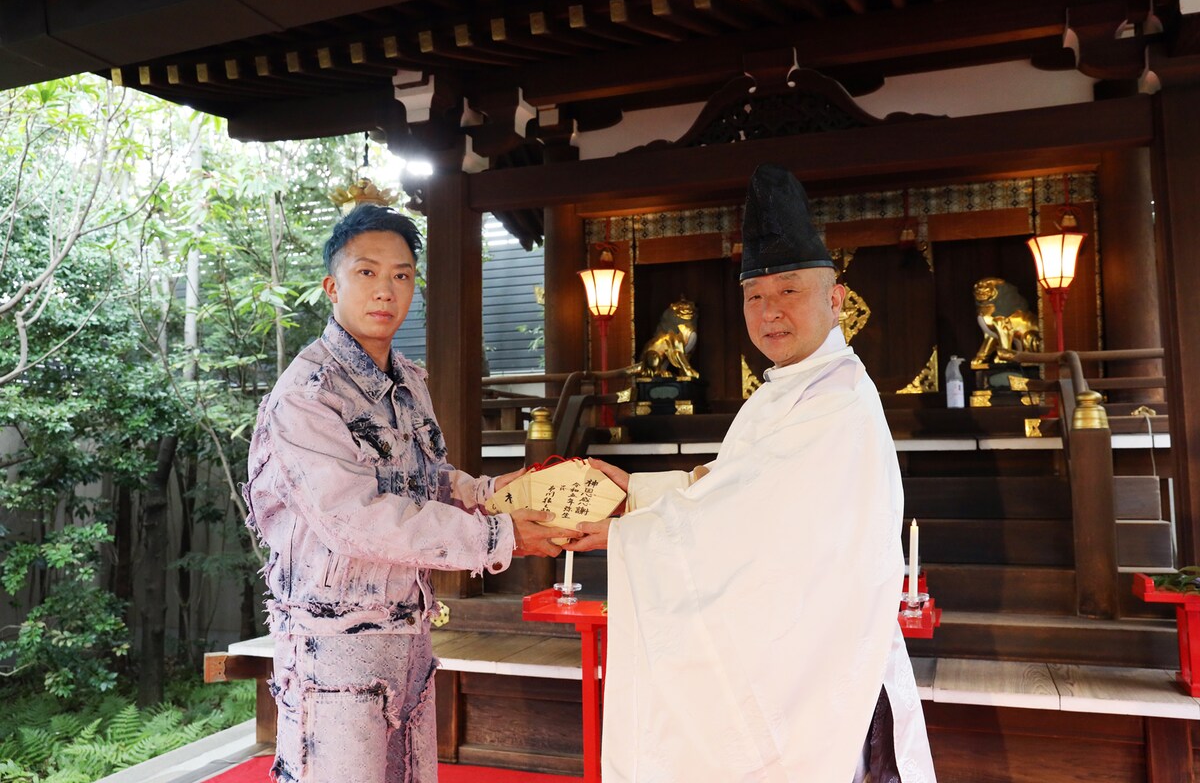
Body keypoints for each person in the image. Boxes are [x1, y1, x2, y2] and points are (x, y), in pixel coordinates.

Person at [567, 165, 938, 782]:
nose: (770, 312)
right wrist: (632, 492)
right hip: (793, 648)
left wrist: (625, 533)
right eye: (754, 295)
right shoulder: (781, 391)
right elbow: (732, 486)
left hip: (822, 662)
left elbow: (752, 519)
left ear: (836, 298)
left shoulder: (837, 397)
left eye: (789, 290)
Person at [243, 204, 578, 783]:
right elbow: (353, 518)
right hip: (334, 641)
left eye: (401, 275)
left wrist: (494, 493)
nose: (386, 290)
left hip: (409, 632)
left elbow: (429, 478)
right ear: (332, 286)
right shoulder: (307, 393)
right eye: (367, 273)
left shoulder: (408, 379)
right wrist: (498, 535)